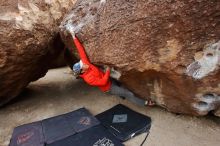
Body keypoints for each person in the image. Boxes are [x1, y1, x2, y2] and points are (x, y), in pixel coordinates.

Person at [70, 32, 154, 106]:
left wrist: (74, 37)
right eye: (82, 65)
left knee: (120, 85)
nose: (84, 63)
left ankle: (121, 94)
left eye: (82, 63)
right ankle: (145, 103)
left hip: (108, 79)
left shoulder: (86, 64)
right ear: (82, 70)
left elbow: (81, 51)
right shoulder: (88, 79)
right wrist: (107, 71)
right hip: (108, 87)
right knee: (127, 93)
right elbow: (103, 82)